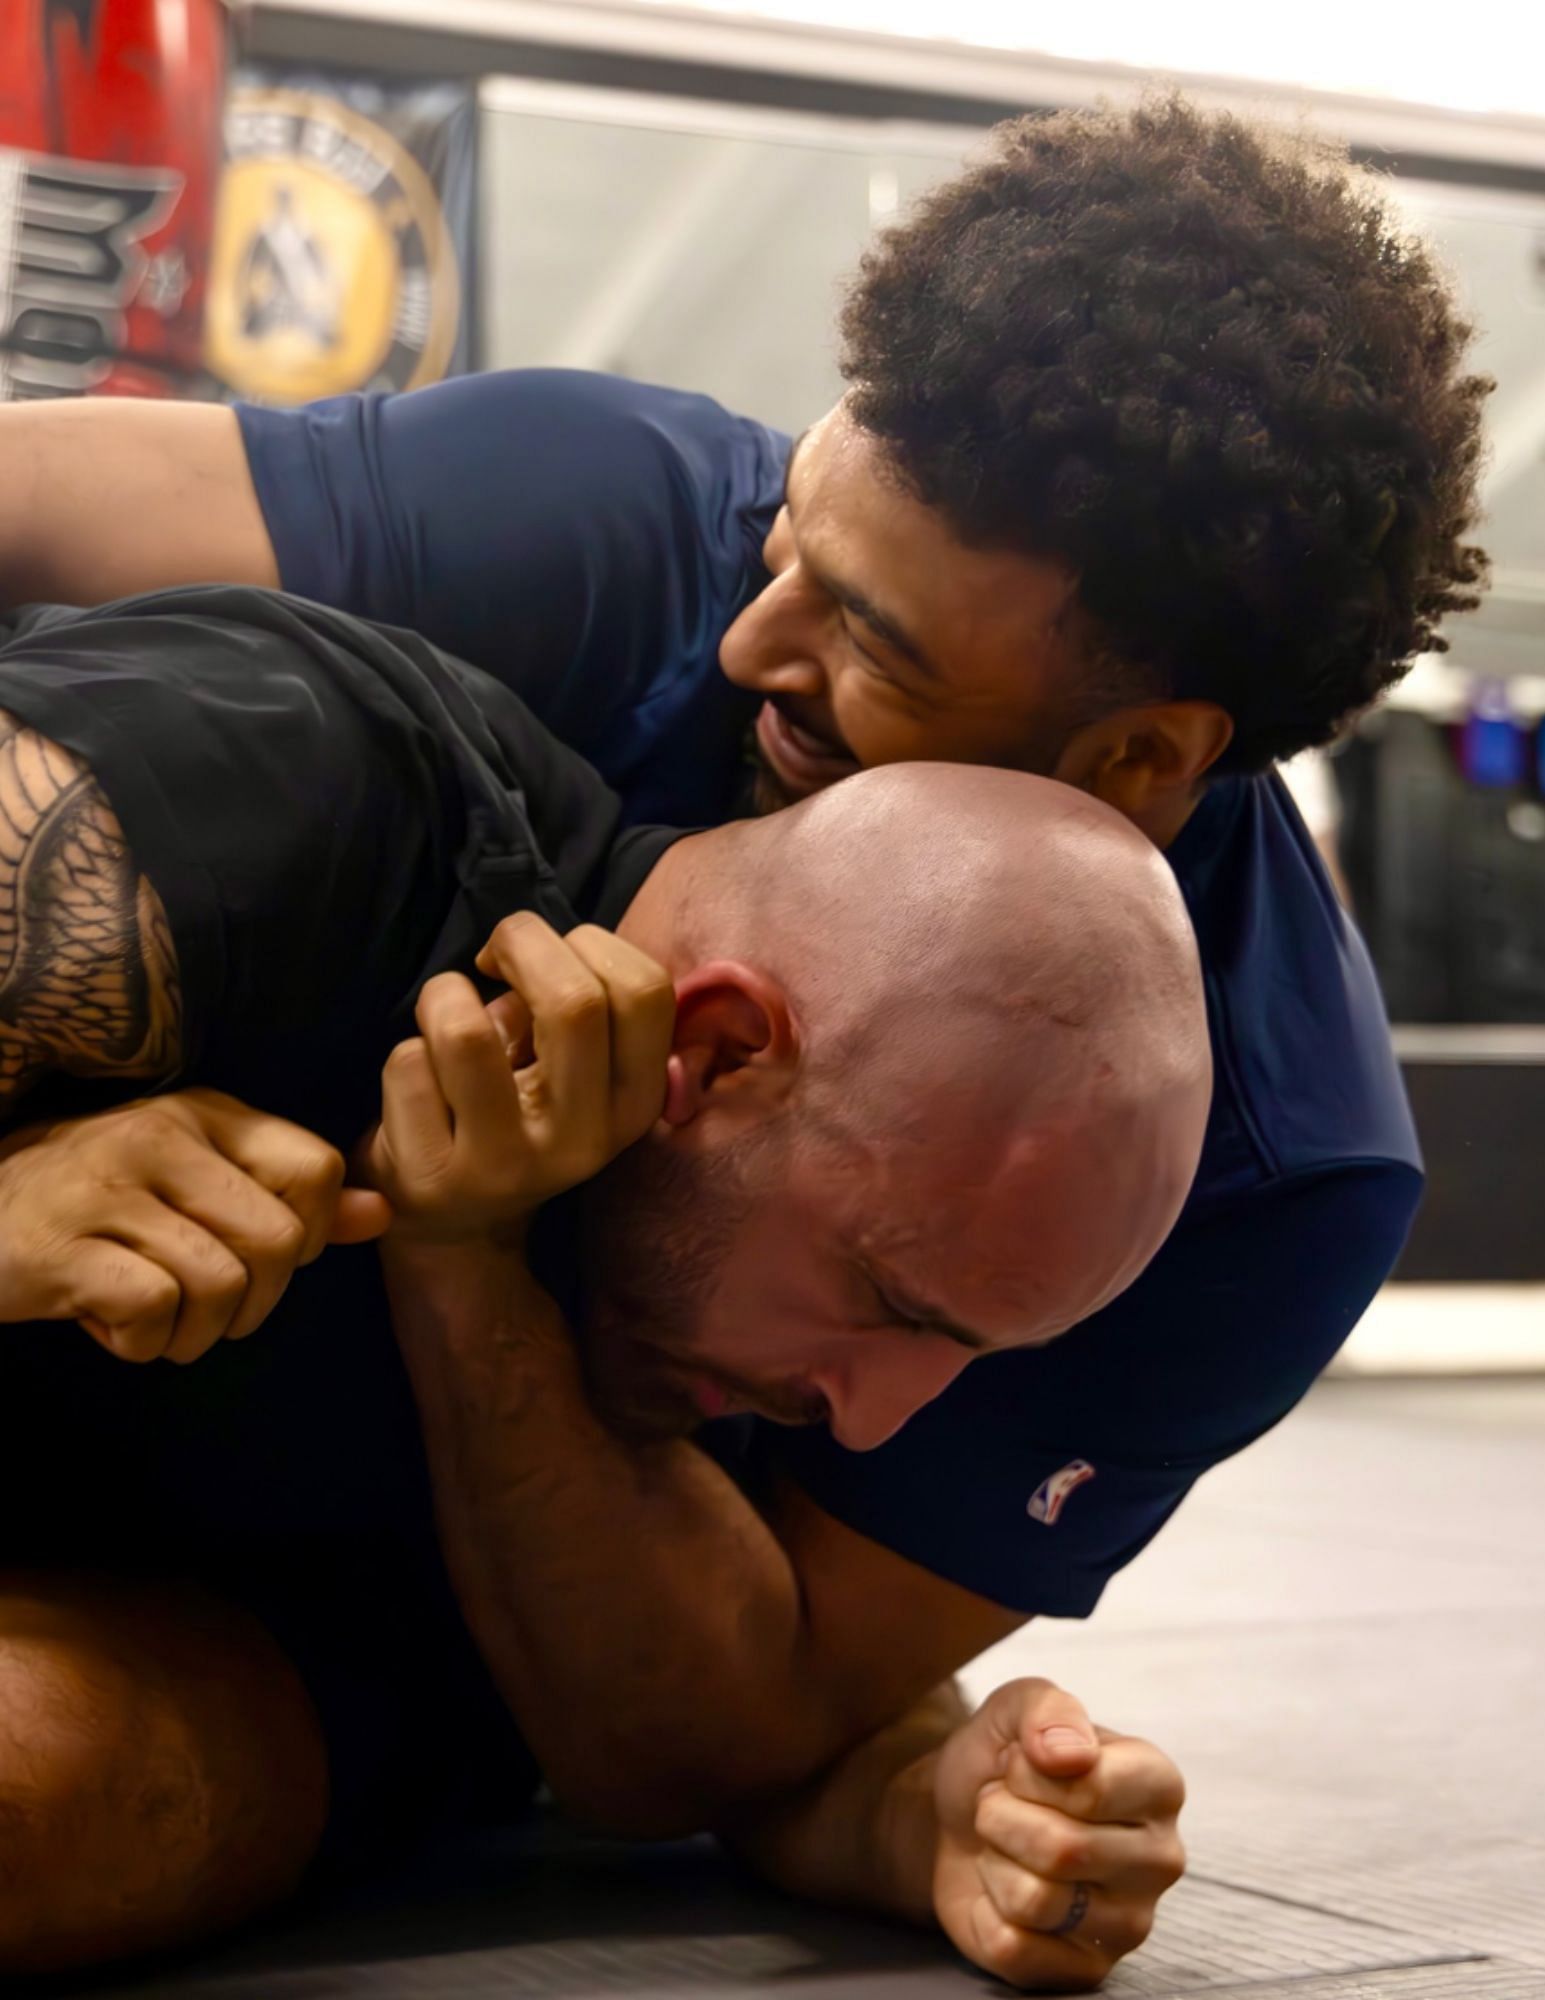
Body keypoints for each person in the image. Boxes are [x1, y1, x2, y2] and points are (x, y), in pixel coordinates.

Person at [0, 91, 1486, 1983]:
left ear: (1132, 761)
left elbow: (706, 1732)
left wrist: (883, 1794)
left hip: (352, 1598)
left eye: (874, 641)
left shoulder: (1268, 1171)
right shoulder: (603, 539)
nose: (747, 647)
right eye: (792, 540)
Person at [0, 582, 1208, 1979]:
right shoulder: (300, 787)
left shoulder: (751, 1293)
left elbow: (707, 1740)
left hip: (282, 1647)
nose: (875, 1419)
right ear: (717, 1055)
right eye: (888, 1303)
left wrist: (907, 1803)